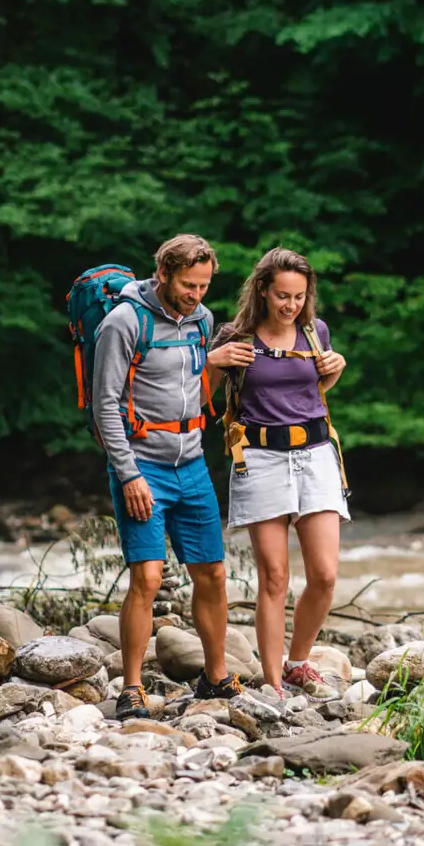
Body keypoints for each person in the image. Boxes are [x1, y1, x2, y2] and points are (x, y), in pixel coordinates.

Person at [92, 234, 253, 720]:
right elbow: (105, 407)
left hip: (192, 464)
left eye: (204, 285)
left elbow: (200, 393)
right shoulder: (124, 322)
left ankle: (217, 676)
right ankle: (132, 687)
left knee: (213, 573)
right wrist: (129, 476)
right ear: (163, 274)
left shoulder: (202, 321)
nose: (197, 294)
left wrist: (218, 365)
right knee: (147, 577)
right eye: (188, 284)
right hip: (142, 466)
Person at [208, 247, 349, 699]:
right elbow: (203, 399)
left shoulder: (315, 331)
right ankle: (272, 683)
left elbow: (315, 390)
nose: (290, 305)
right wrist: (213, 362)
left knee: (325, 575)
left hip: (315, 453)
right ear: (264, 290)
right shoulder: (238, 336)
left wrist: (335, 369)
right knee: (274, 578)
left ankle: (299, 661)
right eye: (282, 296)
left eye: (299, 297)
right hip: (261, 457)